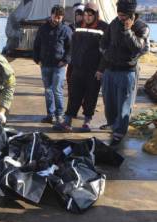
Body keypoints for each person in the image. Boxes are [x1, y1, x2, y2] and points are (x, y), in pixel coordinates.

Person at [100, 0, 150, 146]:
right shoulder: (114, 23)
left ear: (131, 14)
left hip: (127, 72)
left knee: (123, 104)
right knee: (109, 102)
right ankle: (112, 123)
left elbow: (139, 49)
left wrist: (128, 31)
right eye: (119, 14)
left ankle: (120, 131)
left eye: (123, 15)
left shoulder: (141, 27)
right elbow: (103, 42)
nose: (120, 17)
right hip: (110, 69)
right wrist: (107, 54)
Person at [54, 3, 108, 132]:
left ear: (95, 15)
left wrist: (101, 69)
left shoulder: (104, 27)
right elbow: (72, 46)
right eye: (85, 15)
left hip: (94, 71)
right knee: (74, 95)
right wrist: (70, 63)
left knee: (91, 96)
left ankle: (87, 122)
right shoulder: (77, 26)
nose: (87, 17)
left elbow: (106, 52)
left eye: (90, 15)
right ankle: (67, 121)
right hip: (77, 68)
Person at [33, 5, 72, 125]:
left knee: (57, 90)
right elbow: (36, 44)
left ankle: (59, 115)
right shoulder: (43, 28)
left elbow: (70, 48)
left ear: (62, 17)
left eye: (59, 18)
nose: (57, 19)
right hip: (45, 64)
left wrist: (65, 61)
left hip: (59, 65)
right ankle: (50, 115)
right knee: (48, 90)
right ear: (51, 14)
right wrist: (37, 59)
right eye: (55, 16)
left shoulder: (66, 30)